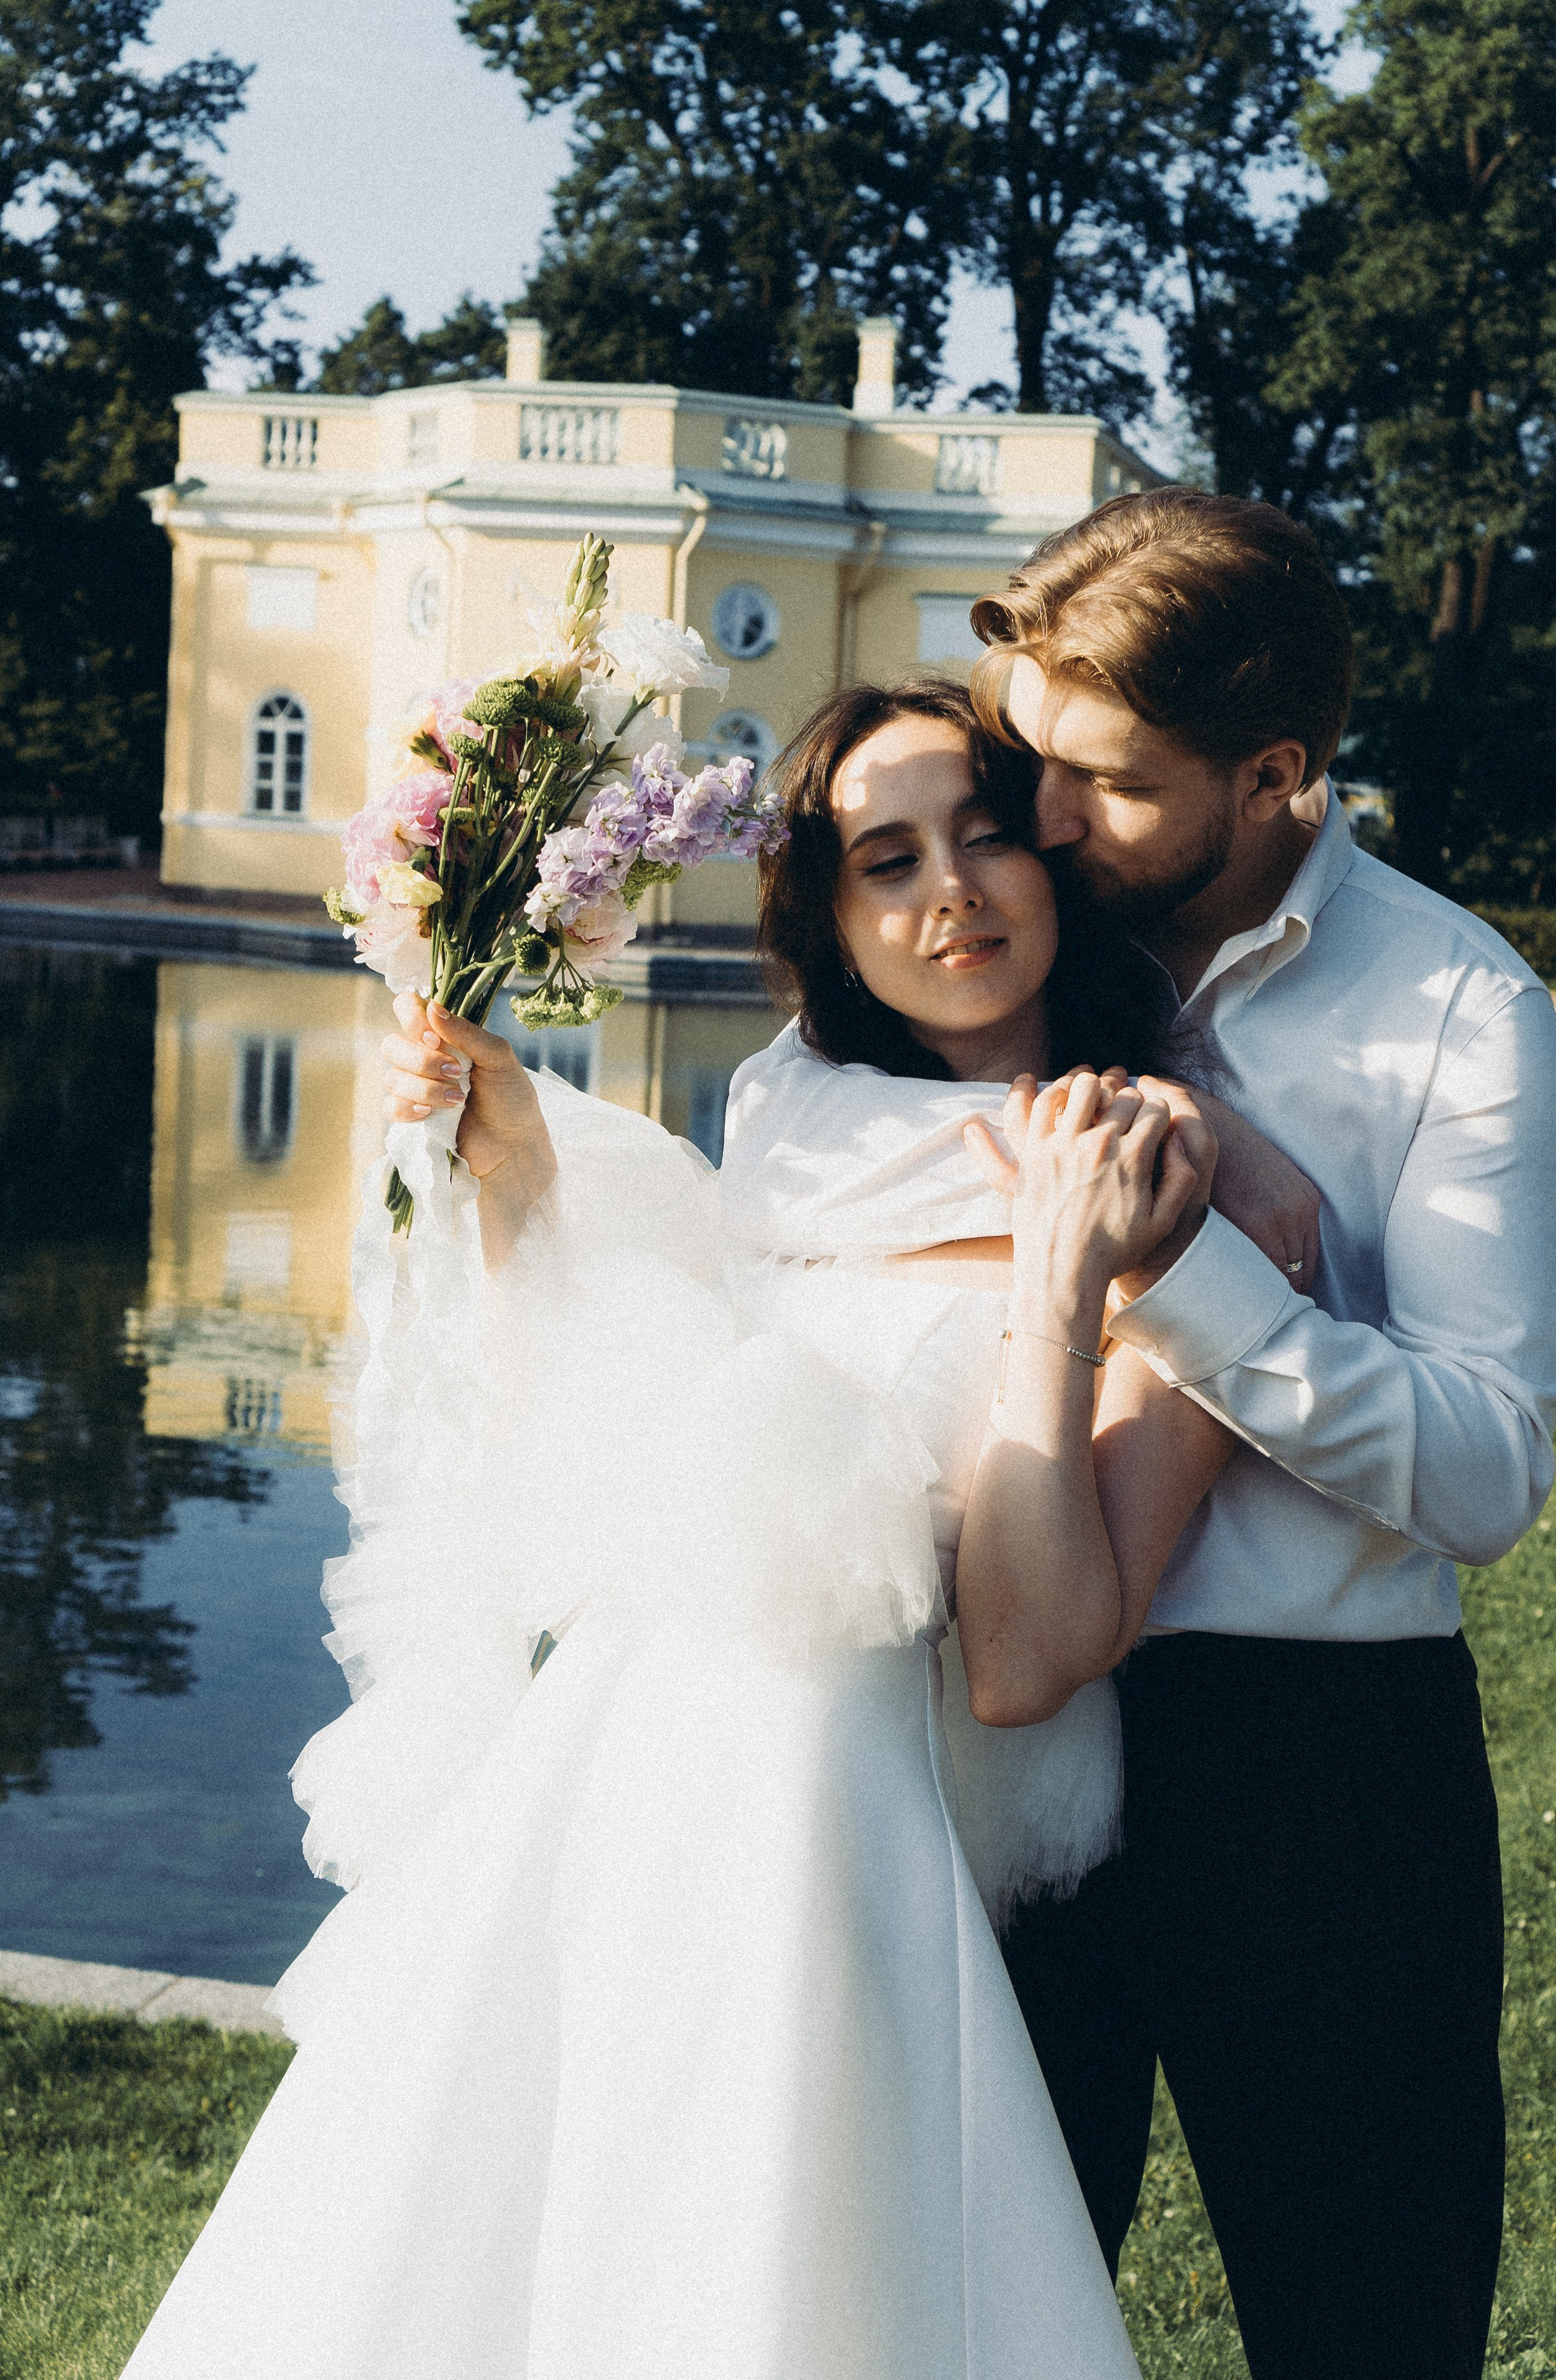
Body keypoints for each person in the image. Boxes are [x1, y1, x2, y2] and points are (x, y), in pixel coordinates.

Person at [116, 677, 1297, 2379]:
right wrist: (520, 1182)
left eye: (983, 836)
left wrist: (1062, 1281)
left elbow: (1034, 1657)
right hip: (648, 1766)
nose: (951, 893)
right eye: (886, 861)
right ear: (827, 918)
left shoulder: (1161, 1172)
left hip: (886, 1788)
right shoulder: (794, 1138)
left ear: (1055, 854)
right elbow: (613, 1474)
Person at [742, 493, 1556, 2380]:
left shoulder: (1467, 1015)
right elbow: (785, 1166)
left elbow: (1495, 1467)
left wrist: (1186, 1275)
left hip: (1319, 1770)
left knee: (1367, 2326)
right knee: (964, 2318)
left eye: (1093, 784)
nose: (1033, 824)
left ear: (1272, 776)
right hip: (990, 1763)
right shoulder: (990, 967)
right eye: (1030, 757)